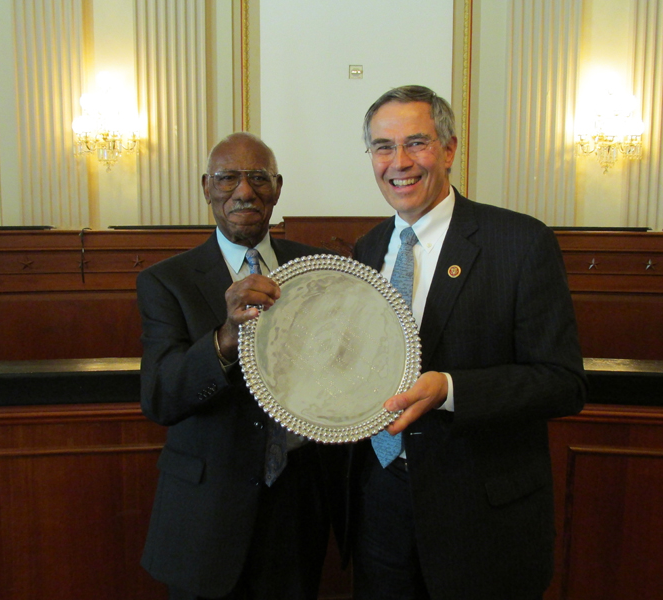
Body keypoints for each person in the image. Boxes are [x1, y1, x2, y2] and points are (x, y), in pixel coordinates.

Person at [347, 85, 587, 600]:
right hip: (380, 504)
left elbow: (562, 383)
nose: (400, 162)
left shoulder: (520, 243)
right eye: (383, 147)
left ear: (450, 148)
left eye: (417, 142)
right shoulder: (365, 252)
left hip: (481, 518)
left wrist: (450, 389)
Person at [136, 132, 330, 600]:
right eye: (228, 178)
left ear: (277, 188)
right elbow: (161, 397)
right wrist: (225, 337)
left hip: (296, 510)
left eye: (258, 178)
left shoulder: (317, 269)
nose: (244, 191)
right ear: (207, 186)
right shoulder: (167, 281)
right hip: (206, 516)